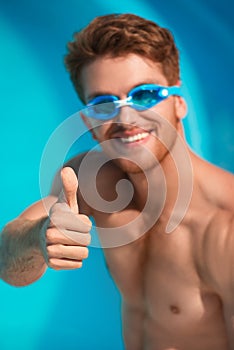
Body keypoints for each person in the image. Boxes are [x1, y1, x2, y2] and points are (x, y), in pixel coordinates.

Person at [0, 13, 234, 350]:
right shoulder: (93, 180)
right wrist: (38, 239)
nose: (126, 118)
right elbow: (9, 266)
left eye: (144, 95)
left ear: (179, 103)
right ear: (87, 120)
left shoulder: (223, 226)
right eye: (103, 103)